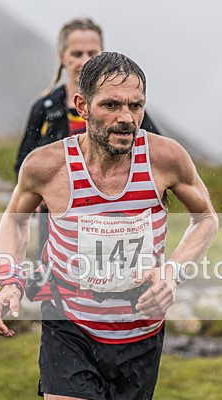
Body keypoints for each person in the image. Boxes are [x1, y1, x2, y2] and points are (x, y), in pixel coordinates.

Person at [0, 52, 218, 400]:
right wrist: (8, 280)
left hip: (137, 335)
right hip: (69, 326)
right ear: (82, 104)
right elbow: (14, 218)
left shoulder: (166, 158)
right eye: (112, 105)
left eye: (135, 106)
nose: (126, 118)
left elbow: (206, 219)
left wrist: (171, 271)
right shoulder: (47, 166)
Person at [15, 18, 161, 257]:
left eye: (92, 53)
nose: (84, 61)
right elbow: (23, 162)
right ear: (62, 57)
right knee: (54, 274)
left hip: (115, 213)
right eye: (77, 53)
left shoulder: (126, 109)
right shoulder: (45, 108)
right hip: (57, 212)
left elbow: (155, 150)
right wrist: (39, 195)